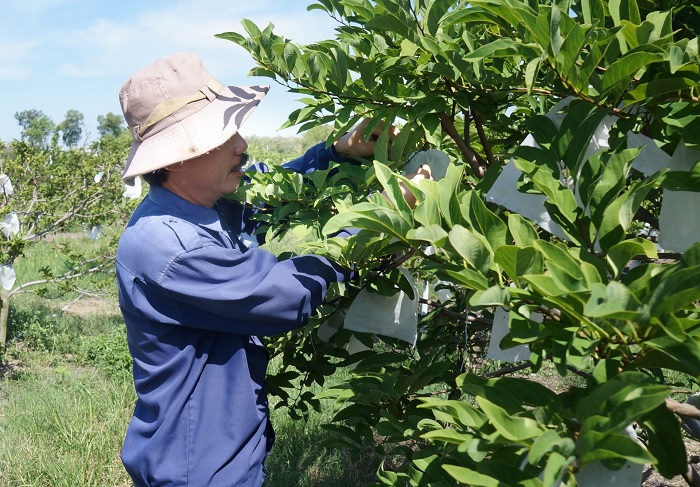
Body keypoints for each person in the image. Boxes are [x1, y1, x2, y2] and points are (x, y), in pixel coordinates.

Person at [116, 52, 429, 487]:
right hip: (197, 469)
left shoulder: (205, 206)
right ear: (175, 157)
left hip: (222, 452)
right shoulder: (170, 246)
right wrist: (381, 217)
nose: (241, 145)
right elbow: (282, 296)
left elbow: (275, 191)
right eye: (222, 135)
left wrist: (338, 153)